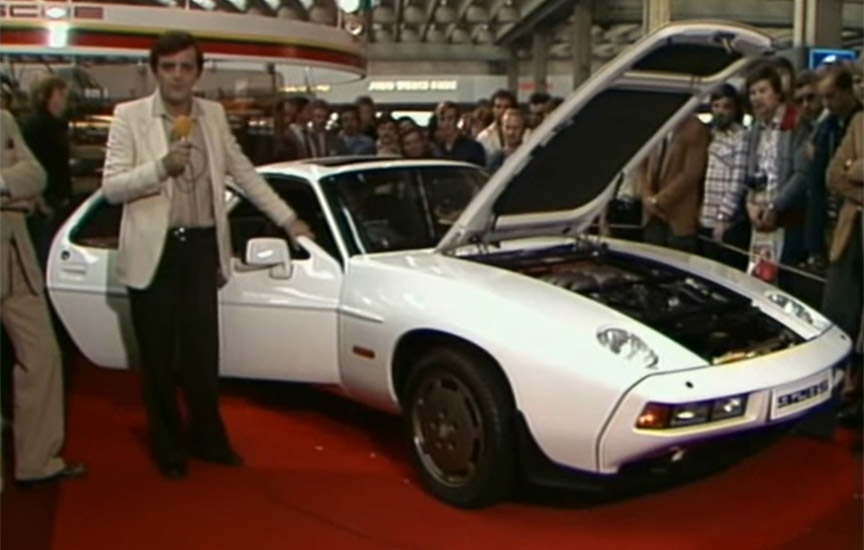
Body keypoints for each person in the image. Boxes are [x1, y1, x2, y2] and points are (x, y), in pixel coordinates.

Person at [101, 31, 312, 479]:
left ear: (199, 71)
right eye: (168, 67)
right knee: (158, 357)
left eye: (186, 67)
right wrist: (160, 168)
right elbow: (112, 187)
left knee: (202, 356)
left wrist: (288, 218)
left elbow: (244, 174)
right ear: (155, 70)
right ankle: (167, 443)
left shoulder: (213, 115)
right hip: (153, 253)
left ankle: (208, 438)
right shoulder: (130, 117)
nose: (177, 76)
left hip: (201, 246)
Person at [1, 109, 87, 488]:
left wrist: (6, 188)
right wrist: (14, 194)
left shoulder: (3, 119)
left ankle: (38, 461)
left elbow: (36, 175)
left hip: (16, 257)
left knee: (43, 357)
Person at [741, 63, 810, 284]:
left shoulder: (796, 123)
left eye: (762, 91)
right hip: (759, 220)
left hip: (785, 219)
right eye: (752, 93)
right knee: (759, 281)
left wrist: (776, 206)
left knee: (783, 283)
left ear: (777, 93)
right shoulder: (756, 129)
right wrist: (749, 203)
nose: (756, 98)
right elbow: (751, 171)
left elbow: (802, 174)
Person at [822, 111, 863, 432]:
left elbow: (849, 171)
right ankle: (833, 400)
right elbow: (834, 175)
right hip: (850, 235)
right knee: (838, 317)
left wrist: (857, 168)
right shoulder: (858, 121)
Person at [806, 67, 862, 270]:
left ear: (846, 91)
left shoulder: (857, 120)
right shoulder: (826, 127)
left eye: (831, 96)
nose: (826, 104)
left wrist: (853, 169)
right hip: (830, 214)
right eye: (823, 98)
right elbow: (834, 174)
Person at [641, 115, 710, 252]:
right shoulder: (653, 125)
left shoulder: (695, 128)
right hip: (651, 216)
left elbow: (691, 174)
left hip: (679, 216)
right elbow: (641, 166)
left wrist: (658, 201)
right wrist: (646, 196)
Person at [699, 84, 750, 269]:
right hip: (705, 216)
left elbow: (738, 180)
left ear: (735, 109)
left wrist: (723, 217)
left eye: (726, 106)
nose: (720, 111)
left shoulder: (741, 136)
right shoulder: (709, 134)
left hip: (728, 221)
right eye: (716, 106)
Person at [435, 101, 486, 167]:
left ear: (457, 120)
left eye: (450, 119)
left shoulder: (473, 147)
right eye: (442, 119)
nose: (446, 123)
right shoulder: (435, 149)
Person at [476, 89, 518, 158]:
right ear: (492, 109)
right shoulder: (484, 136)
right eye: (498, 107)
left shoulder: (526, 134)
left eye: (506, 107)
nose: (502, 111)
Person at [487, 108, 527, 172]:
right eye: (507, 127)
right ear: (501, 128)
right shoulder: (494, 158)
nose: (511, 133)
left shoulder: (529, 156)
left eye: (515, 128)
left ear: (523, 129)